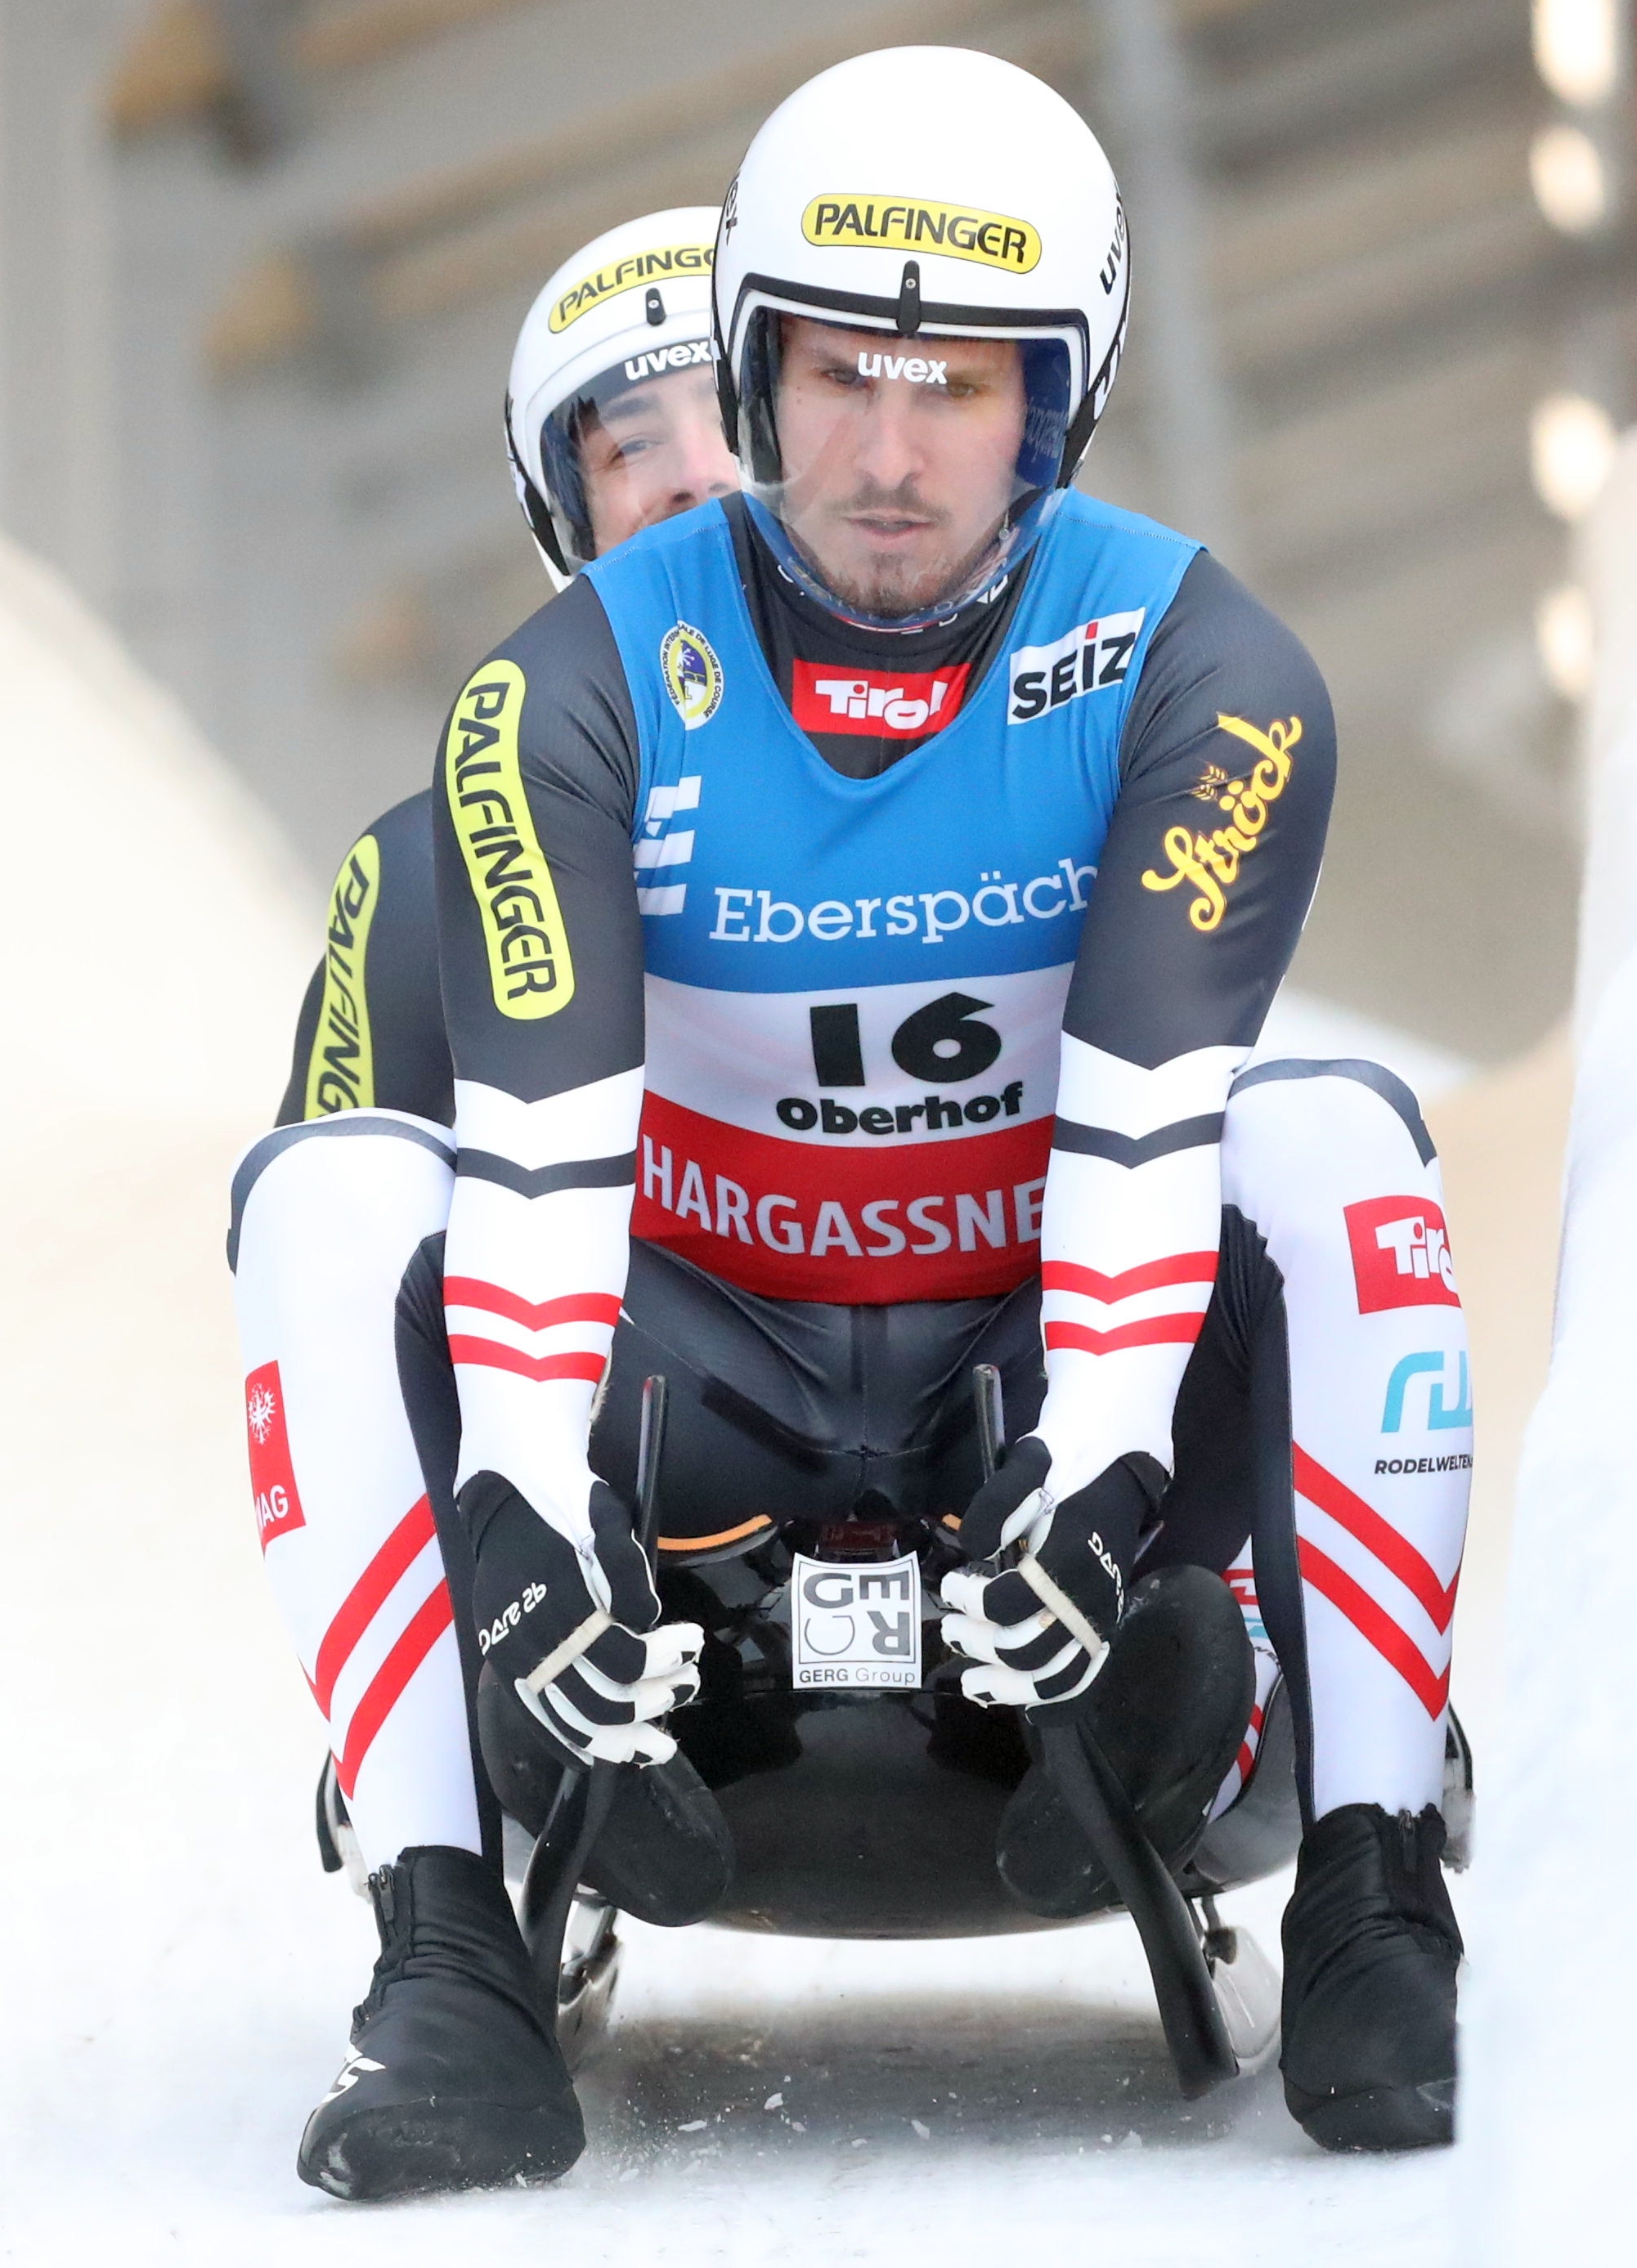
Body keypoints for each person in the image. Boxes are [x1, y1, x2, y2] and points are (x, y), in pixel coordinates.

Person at [234, 49, 1470, 2199]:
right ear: (757, 369)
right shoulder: (559, 691)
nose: (889, 458)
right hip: (696, 1376)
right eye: (833, 380)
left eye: (961, 391)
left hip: (1041, 1353)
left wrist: (1102, 1468)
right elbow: (529, 1146)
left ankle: (1375, 1889)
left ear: (1056, 406)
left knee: (1337, 1135)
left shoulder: (1206, 667)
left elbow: (1153, 1114)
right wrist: (521, 1491)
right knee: (334, 1191)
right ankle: (441, 1950)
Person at [231, 205, 736, 2196]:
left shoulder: (1046, 758)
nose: (695, 475)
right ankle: (449, 1914)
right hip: (625, 1503)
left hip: (972, 1451)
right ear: (573, 523)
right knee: (327, 1182)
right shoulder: (441, 853)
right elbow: (327, 1239)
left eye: (732, 422)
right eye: (634, 448)